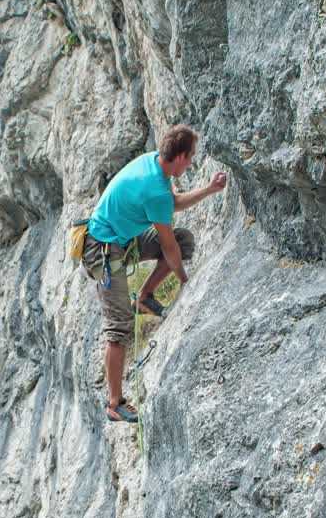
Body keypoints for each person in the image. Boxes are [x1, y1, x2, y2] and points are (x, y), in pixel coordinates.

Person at [81, 124, 227, 423]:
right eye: (191, 157)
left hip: (121, 238)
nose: (192, 162)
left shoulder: (153, 163)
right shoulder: (154, 187)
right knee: (119, 327)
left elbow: (171, 205)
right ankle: (114, 403)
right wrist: (187, 283)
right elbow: (167, 245)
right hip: (103, 250)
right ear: (181, 156)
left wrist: (210, 189)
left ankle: (145, 296)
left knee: (185, 238)